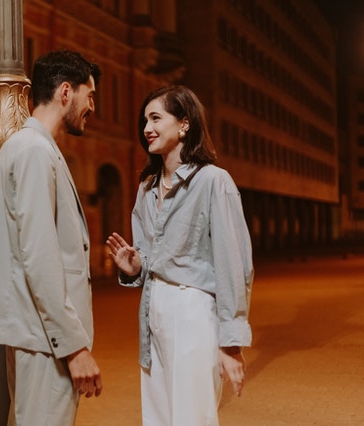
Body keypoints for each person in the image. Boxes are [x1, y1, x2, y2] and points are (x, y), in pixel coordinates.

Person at [106, 85, 253, 426]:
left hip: (194, 312)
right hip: (153, 309)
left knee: (192, 418)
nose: (147, 129)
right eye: (145, 120)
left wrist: (231, 344)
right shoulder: (146, 188)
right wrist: (135, 266)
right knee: (157, 418)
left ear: (184, 124)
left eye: (156, 118)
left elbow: (235, 266)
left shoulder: (214, 182)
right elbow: (147, 256)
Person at [0, 49, 103, 426]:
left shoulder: (23, 147)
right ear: (66, 92)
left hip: (36, 335)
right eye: (90, 95)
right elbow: (39, 257)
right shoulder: (35, 151)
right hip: (45, 340)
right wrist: (74, 347)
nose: (92, 107)